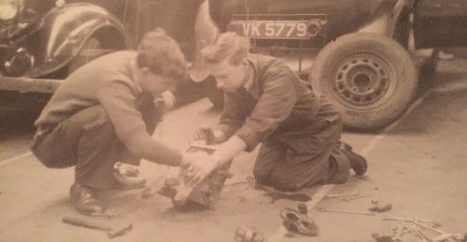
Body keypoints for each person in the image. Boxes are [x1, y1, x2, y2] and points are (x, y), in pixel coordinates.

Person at [32, 29, 192, 215]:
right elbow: (137, 143)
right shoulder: (115, 80)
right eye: (166, 83)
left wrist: (160, 92)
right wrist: (183, 159)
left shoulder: (138, 63)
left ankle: (109, 172)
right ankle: (84, 187)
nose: (171, 89)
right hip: (50, 143)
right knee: (104, 117)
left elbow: (150, 96)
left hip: (72, 129)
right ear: (146, 72)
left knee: (153, 99)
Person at [186, 32, 368, 191]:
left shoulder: (278, 76)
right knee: (262, 174)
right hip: (279, 130)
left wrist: (212, 161)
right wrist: (216, 136)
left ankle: (342, 158)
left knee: (288, 181)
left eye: (223, 76)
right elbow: (233, 120)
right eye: (215, 77)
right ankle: (314, 158)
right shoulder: (233, 81)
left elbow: (257, 126)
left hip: (315, 126)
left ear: (243, 62)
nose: (219, 84)